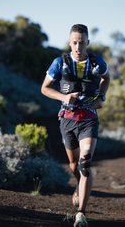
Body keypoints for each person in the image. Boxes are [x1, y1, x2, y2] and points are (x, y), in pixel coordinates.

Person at [41, 24, 110, 227]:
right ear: (69, 42)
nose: (78, 46)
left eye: (81, 42)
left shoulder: (97, 63)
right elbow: (44, 88)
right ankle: (79, 187)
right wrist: (63, 96)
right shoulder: (59, 63)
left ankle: (81, 214)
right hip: (67, 119)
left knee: (85, 162)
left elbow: (106, 78)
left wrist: (101, 97)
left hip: (89, 118)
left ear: (88, 42)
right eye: (74, 42)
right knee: (73, 165)